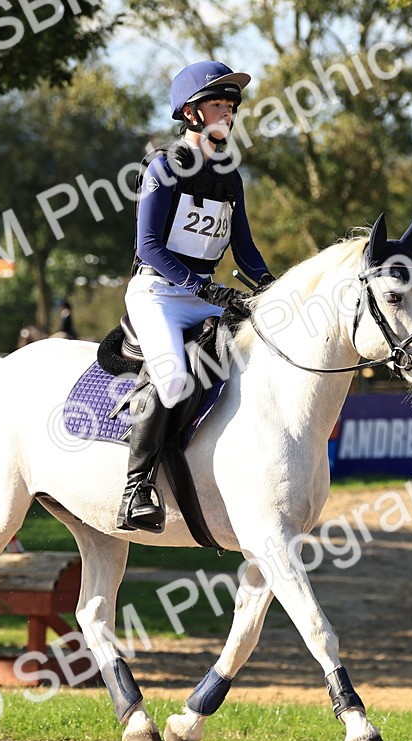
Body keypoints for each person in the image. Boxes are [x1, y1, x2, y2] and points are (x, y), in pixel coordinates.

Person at [117, 60, 275, 533]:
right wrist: (200, 285)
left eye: (230, 106)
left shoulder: (229, 177)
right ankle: (136, 489)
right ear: (191, 114)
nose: (227, 114)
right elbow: (148, 246)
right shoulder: (165, 166)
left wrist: (274, 291)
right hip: (159, 293)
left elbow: (245, 251)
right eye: (217, 105)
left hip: (205, 295)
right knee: (173, 381)